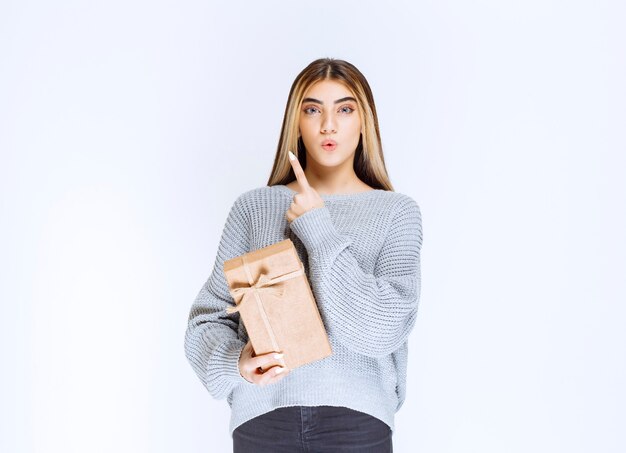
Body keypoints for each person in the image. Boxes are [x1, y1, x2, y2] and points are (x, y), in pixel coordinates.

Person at [184, 57, 423, 452]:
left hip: (357, 422)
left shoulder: (396, 213)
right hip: (263, 421)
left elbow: (380, 329)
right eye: (312, 109)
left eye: (344, 109)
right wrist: (237, 361)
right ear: (296, 122)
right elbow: (207, 318)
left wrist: (317, 226)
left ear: (365, 122)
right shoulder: (255, 208)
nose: (328, 124)